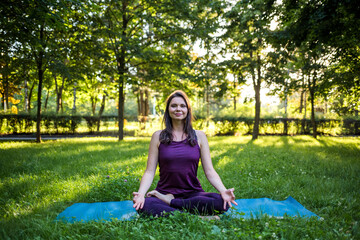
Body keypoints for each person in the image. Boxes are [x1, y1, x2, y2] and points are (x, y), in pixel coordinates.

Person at [132, 90, 237, 218]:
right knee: (145, 205)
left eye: (182, 106)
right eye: (174, 105)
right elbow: (149, 171)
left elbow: (209, 171)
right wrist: (141, 194)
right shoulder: (158, 137)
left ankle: (171, 203)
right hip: (164, 192)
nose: (178, 109)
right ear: (168, 110)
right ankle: (197, 217)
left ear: (188, 110)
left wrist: (223, 191)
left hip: (192, 194)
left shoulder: (199, 136)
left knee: (222, 202)